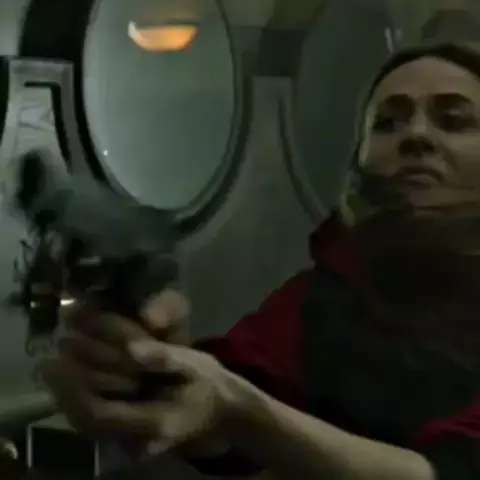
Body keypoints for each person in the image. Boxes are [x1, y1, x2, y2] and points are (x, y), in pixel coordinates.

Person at [40, 41, 480, 479]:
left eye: (454, 120)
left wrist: (237, 407)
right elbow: (230, 406)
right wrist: (151, 371)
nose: (415, 136)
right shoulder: (328, 290)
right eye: (386, 123)